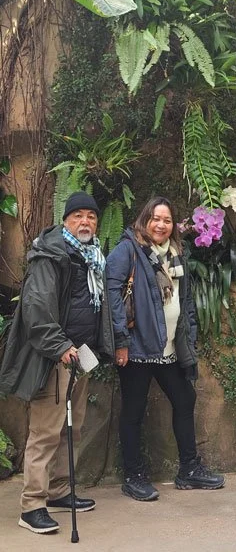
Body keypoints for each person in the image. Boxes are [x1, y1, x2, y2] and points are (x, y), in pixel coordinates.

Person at [0, 192, 114, 534]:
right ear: (65, 220)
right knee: (46, 432)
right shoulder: (51, 255)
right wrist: (60, 345)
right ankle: (32, 505)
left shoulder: (93, 258)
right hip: (55, 357)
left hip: (80, 357)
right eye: (77, 215)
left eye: (91, 217)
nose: (85, 222)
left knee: (71, 428)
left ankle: (60, 490)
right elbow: (36, 309)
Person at [106, 196, 225, 501]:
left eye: (167, 220)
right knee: (133, 410)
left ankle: (189, 469)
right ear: (144, 220)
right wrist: (120, 343)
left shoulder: (176, 254)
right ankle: (133, 475)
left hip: (169, 346)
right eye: (155, 218)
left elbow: (184, 303)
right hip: (138, 348)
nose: (161, 225)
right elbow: (113, 301)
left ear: (173, 226)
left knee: (184, 399)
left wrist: (189, 337)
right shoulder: (127, 251)